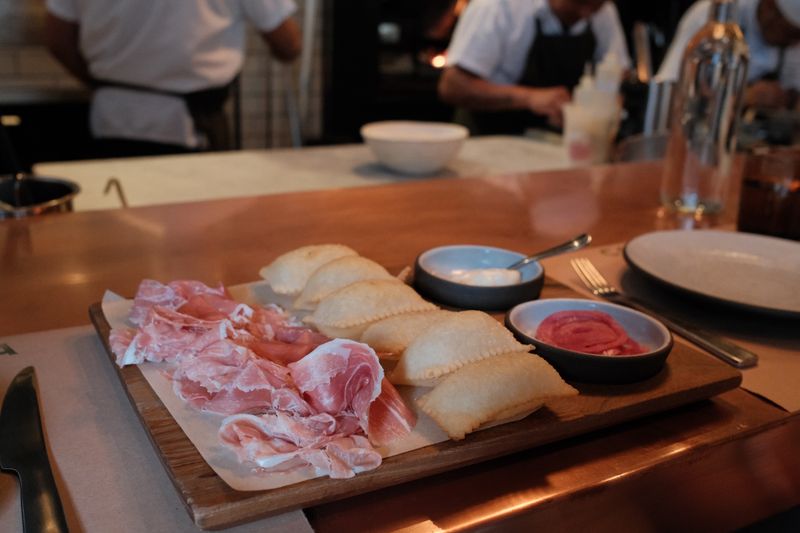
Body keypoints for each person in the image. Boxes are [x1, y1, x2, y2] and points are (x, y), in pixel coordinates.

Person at [44, 0, 301, 157]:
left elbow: (58, 39)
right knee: (198, 225)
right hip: (190, 126)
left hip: (112, 115)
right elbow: (289, 43)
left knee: (117, 217)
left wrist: (102, 84)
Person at [438, 0, 630, 135]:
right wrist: (529, 98)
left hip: (556, 145)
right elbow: (452, 86)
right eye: (578, 4)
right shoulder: (497, 6)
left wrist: (603, 105)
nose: (586, 13)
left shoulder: (602, 10)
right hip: (489, 138)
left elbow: (619, 72)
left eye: (595, 7)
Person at [656, 0, 800, 111]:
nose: (794, 44)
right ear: (770, 10)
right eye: (789, 33)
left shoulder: (789, 40)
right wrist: (744, 97)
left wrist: (785, 98)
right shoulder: (713, 17)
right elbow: (667, 93)